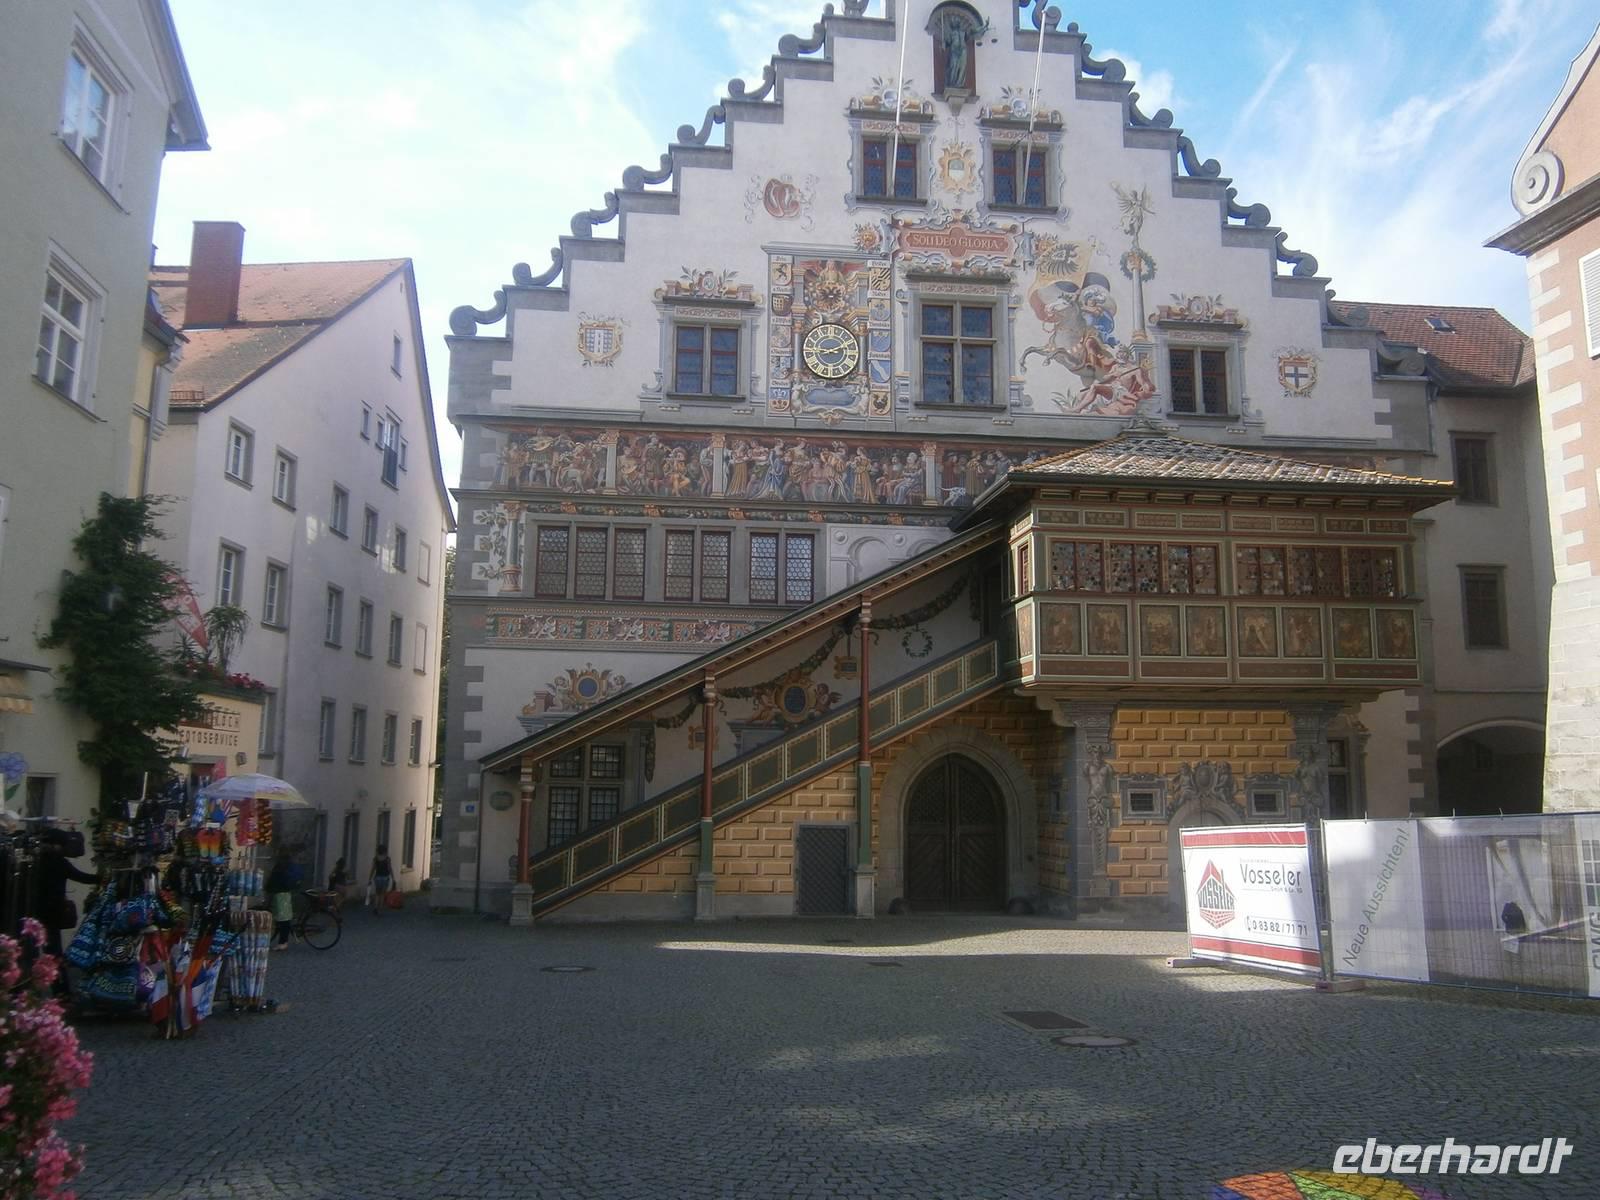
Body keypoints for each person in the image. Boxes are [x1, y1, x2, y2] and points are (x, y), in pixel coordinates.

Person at [35, 830, 98, 995]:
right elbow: (80, 877)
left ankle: (45, 985)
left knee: (41, 950)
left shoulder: (37, 860)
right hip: (52, 913)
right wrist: (103, 878)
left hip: (35, 912)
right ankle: (60, 988)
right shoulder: (58, 862)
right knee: (54, 951)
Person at [266, 851, 295, 950]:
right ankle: (283, 941)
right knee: (285, 920)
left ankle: (283, 942)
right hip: (286, 896)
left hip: (280, 897)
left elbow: (272, 882)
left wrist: (268, 888)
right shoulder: (287, 868)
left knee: (283, 921)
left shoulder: (279, 869)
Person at [368, 845, 395, 916]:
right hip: (385, 877)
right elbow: (389, 868)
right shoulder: (387, 859)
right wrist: (393, 877)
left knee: (377, 893)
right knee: (382, 894)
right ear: (385, 851)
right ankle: (380, 909)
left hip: (377, 877)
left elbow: (373, 869)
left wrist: (370, 878)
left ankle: (375, 907)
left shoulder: (375, 859)